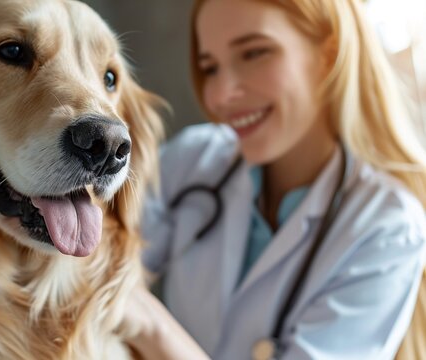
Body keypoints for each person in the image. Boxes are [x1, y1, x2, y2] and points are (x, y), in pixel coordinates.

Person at [124, 0, 426, 359]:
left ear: (328, 54)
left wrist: (147, 322)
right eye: (211, 68)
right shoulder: (192, 160)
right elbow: (94, 263)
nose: (220, 95)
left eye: (253, 53)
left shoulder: (387, 226)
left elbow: (111, 290)